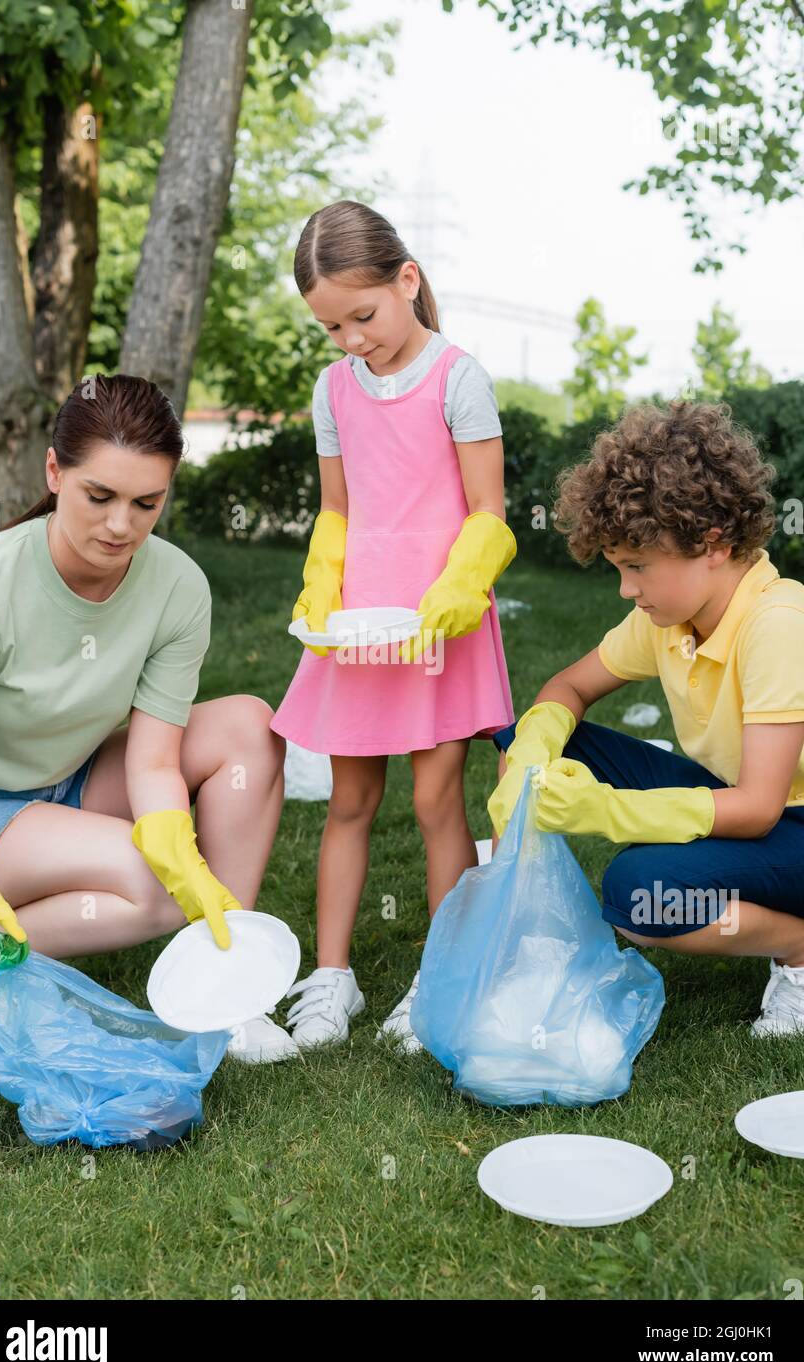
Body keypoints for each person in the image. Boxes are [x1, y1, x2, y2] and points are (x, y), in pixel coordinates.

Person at [0, 374, 290, 1063]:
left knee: (249, 728)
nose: (120, 526)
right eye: (99, 496)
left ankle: (230, 986)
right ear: (54, 472)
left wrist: (177, 841)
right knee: (150, 886)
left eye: (147, 503)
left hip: (65, 781)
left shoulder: (175, 585)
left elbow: (152, 760)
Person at [488, 399, 804, 1038]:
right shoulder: (669, 619)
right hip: (748, 808)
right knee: (524, 736)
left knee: (642, 897)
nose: (626, 590)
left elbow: (757, 808)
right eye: (619, 568)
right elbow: (569, 686)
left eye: (638, 567)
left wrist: (606, 812)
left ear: (713, 544)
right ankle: (520, 941)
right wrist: (533, 751)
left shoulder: (779, 623)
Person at [269, 200, 516, 1053]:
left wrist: (460, 587)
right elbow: (337, 508)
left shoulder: (459, 379)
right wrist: (320, 573)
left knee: (433, 797)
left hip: (439, 623)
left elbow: (490, 513)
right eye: (330, 326)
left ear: (405, 279)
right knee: (349, 800)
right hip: (363, 625)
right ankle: (332, 977)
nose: (349, 340)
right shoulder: (333, 389)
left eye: (361, 316)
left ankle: (439, 980)